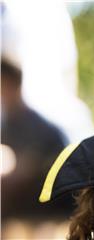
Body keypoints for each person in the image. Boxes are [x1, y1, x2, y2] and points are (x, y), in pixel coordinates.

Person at [1, 58, 74, 220]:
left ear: (13, 85)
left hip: (43, 215)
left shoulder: (46, 131)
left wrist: (23, 170)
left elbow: (61, 178)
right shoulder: (5, 128)